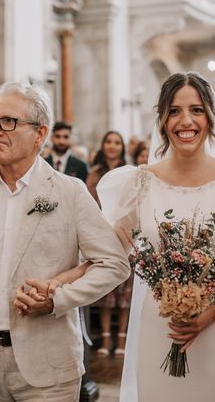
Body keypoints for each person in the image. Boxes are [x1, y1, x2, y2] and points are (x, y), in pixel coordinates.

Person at [94, 72, 215, 401]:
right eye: (174, 111)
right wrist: (60, 279)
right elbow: (108, 254)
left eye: (196, 110)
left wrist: (210, 313)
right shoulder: (138, 183)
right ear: (162, 121)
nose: (186, 121)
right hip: (161, 332)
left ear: (211, 115)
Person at [0, 82, 129, 401]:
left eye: (8, 122)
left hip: (49, 368)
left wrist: (58, 299)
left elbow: (114, 264)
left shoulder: (69, 191)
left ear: (39, 134)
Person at [85, 130, 130, 356]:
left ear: (122, 147)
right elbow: (89, 206)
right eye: (109, 142)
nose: (113, 146)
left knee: (124, 295)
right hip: (103, 235)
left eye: (117, 142)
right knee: (106, 293)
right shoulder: (94, 174)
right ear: (103, 146)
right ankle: (104, 340)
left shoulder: (129, 173)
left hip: (126, 234)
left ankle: (121, 341)